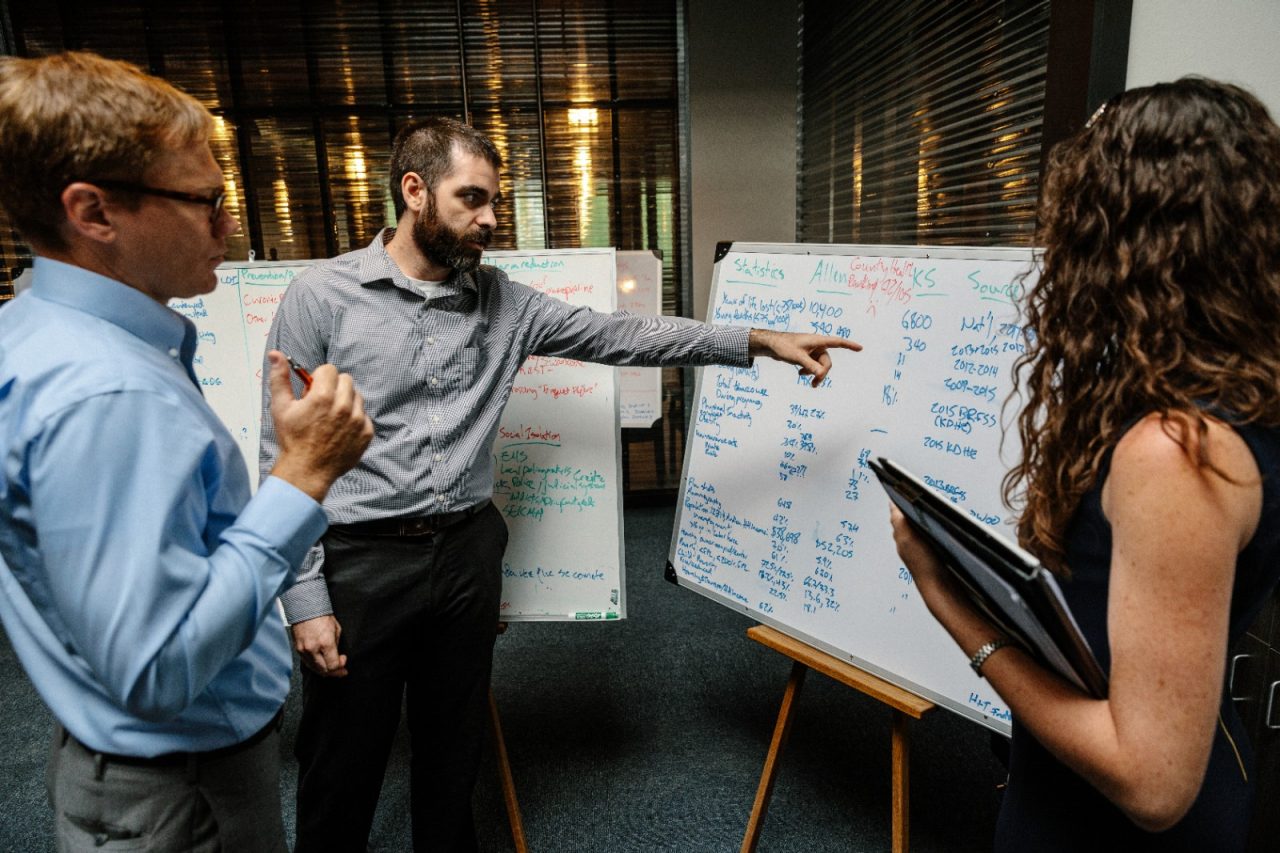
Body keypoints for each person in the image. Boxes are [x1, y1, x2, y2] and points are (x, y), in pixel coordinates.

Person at [261, 115, 862, 850]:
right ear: (413, 191)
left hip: (466, 555)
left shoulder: (506, 302)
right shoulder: (320, 297)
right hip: (359, 561)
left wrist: (756, 341)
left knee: (454, 758)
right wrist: (305, 598)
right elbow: (280, 456)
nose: (489, 220)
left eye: (495, 202)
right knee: (341, 767)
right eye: (472, 199)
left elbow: (625, 335)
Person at [889, 77, 1280, 851]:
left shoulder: (1177, 451)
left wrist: (955, 607)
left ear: (1118, 237)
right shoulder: (1240, 387)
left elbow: (1151, 782)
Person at [0, 52, 374, 852]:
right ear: (93, 212)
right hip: (181, 793)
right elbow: (157, 668)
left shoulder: (33, 326)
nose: (228, 224)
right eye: (205, 200)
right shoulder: (106, 393)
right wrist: (303, 473)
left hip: (132, 767)